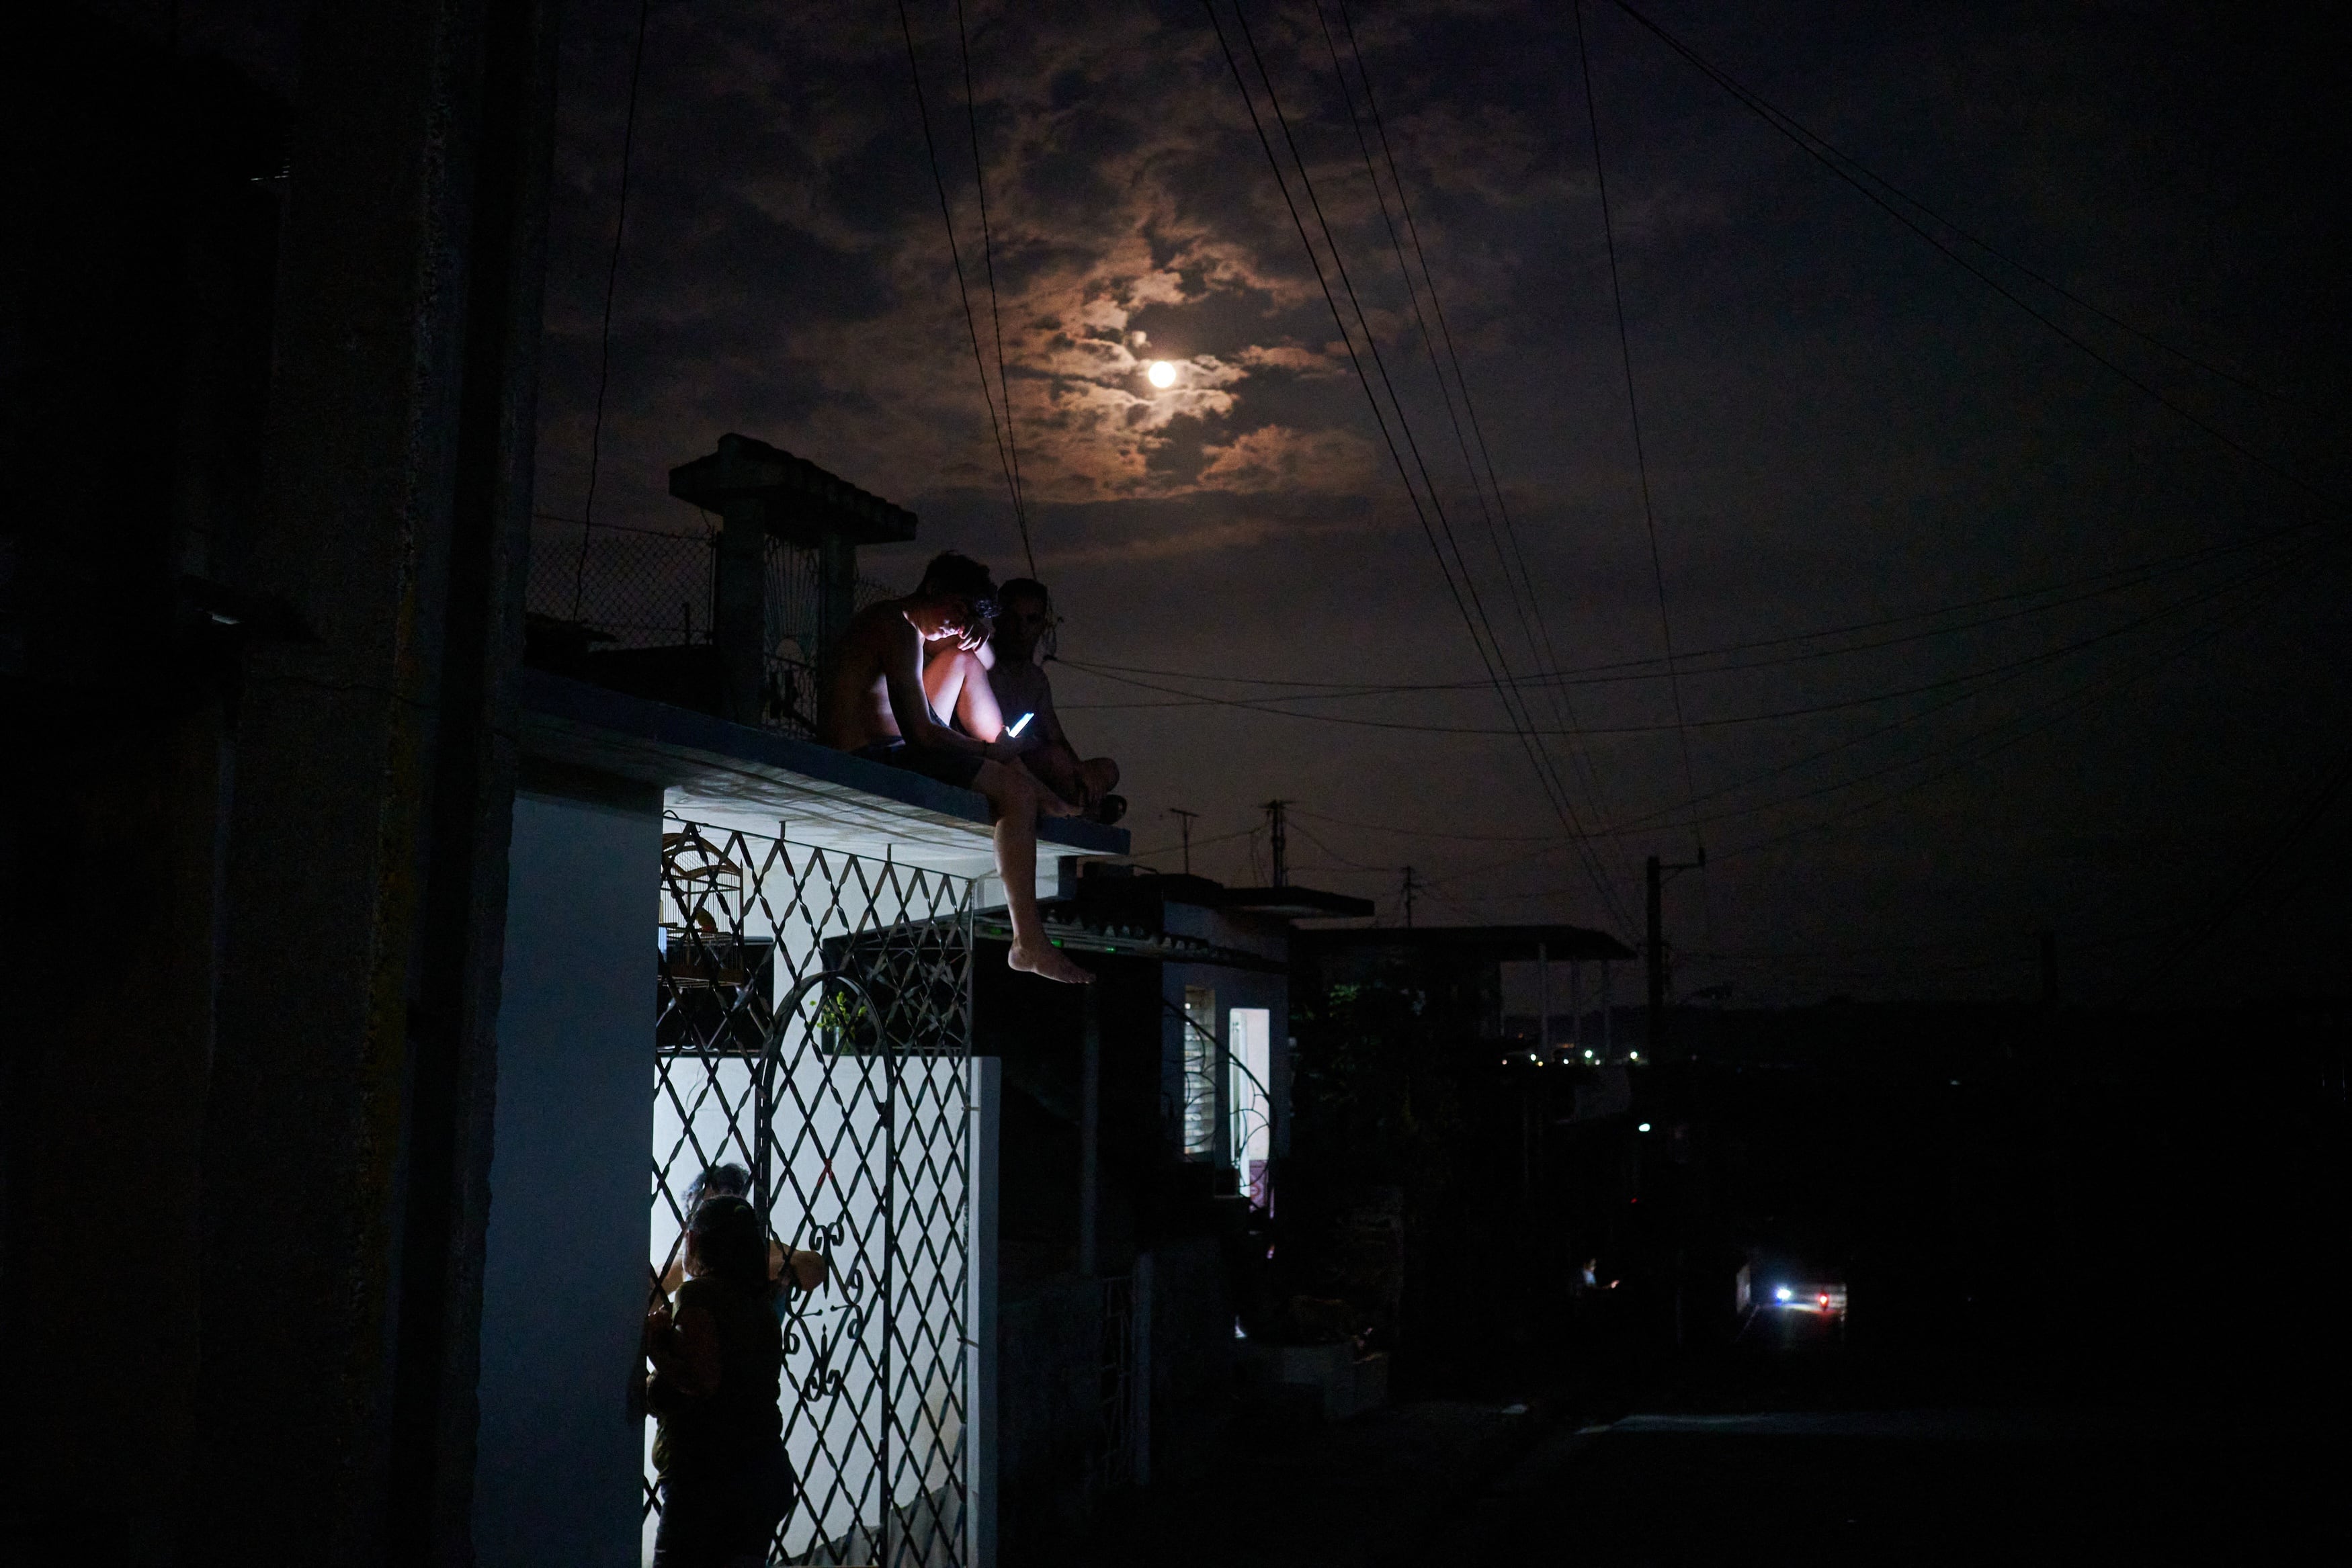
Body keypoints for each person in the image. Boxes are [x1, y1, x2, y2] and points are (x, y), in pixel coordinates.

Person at [820, 551, 1091, 984]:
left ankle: (1020, 771)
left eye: (969, 616)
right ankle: (1028, 942)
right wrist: (987, 755)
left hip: (892, 743)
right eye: (957, 611)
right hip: (870, 756)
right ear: (932, 589)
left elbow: (983, 665)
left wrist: (975, 635)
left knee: (964, 662)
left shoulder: (911, 623)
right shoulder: (897, 626)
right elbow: (922, 736)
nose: (957, 624)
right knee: (1015, 793)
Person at [644, 1194, 796, 1567]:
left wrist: (653, 1346)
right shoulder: (761, 1308)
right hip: (763, 1472)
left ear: (694, 1242)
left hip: (707, 1480)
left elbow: (700, 1379)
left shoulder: (699, 1294)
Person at [922, 576, 1124, 824]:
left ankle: (1082, 805)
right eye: (1013, 618)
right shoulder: (981, 655)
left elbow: (1056, 736)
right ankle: (1082, 809)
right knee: (1055, 761)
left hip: (1026, 759)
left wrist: (1081, 769)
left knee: (1107, 769)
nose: (1022, 630)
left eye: (1032, 620)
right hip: (989, 755)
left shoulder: (1035, 679)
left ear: (1042, 625)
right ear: (998, 619)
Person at [660, 1164, 828, 1297]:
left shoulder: (761, 1251)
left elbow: (815, 1268)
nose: (701, 1229)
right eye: (695, 1217)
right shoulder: (689, 1259)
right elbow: (653, 1287)